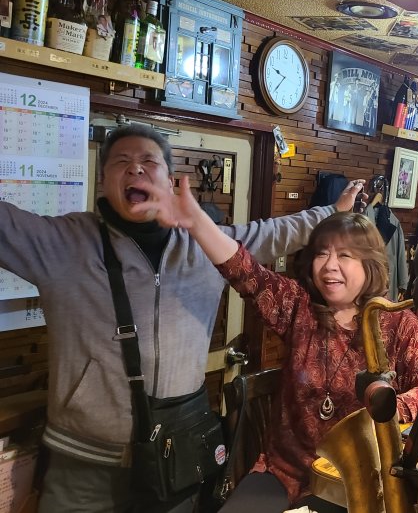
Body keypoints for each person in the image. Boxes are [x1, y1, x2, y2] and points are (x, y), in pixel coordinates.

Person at [0, 124, 365, 513]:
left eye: (148, 161)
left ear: (170, 180)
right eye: (121, 161)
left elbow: (274, 232)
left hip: (175, 456)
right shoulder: (61, 242)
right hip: (83, 465)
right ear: (103, 179)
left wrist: (333, 211)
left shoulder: (206, 245)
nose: (135, 168)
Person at [133, 176, 418, 511]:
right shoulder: (300, 307)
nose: (329, 266)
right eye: (322, 253)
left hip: (357, 483)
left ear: (371, 264)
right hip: (284, 473)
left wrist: (389, 405)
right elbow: (244, 271)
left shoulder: (397, 324)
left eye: (345, 255)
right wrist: (196, 222)